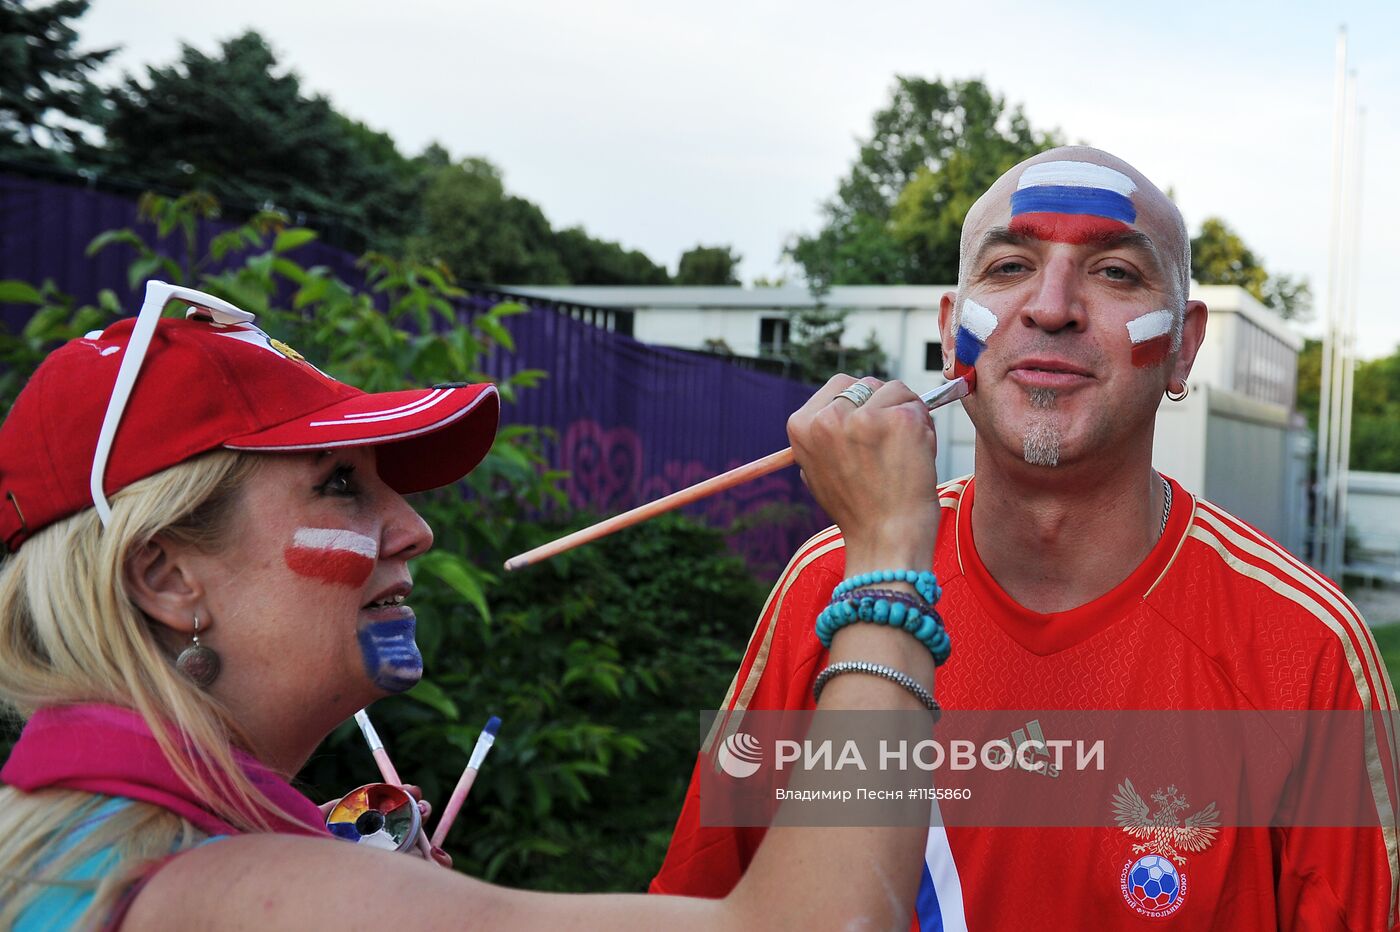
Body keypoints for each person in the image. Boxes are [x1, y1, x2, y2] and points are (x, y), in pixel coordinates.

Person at [0, 280, 951, 929]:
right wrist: (886, 555)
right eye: (340, 487)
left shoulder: (100, 840)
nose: (413, 529)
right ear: (165, 576)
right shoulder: (215, 892)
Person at [651, 147, 1400, 930]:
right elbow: (699, 907)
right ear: (950, 333)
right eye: (1009, 266)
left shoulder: (1308, 649)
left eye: (1114, 273)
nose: (1051, 306)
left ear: (1183, 344)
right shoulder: (830, 582)